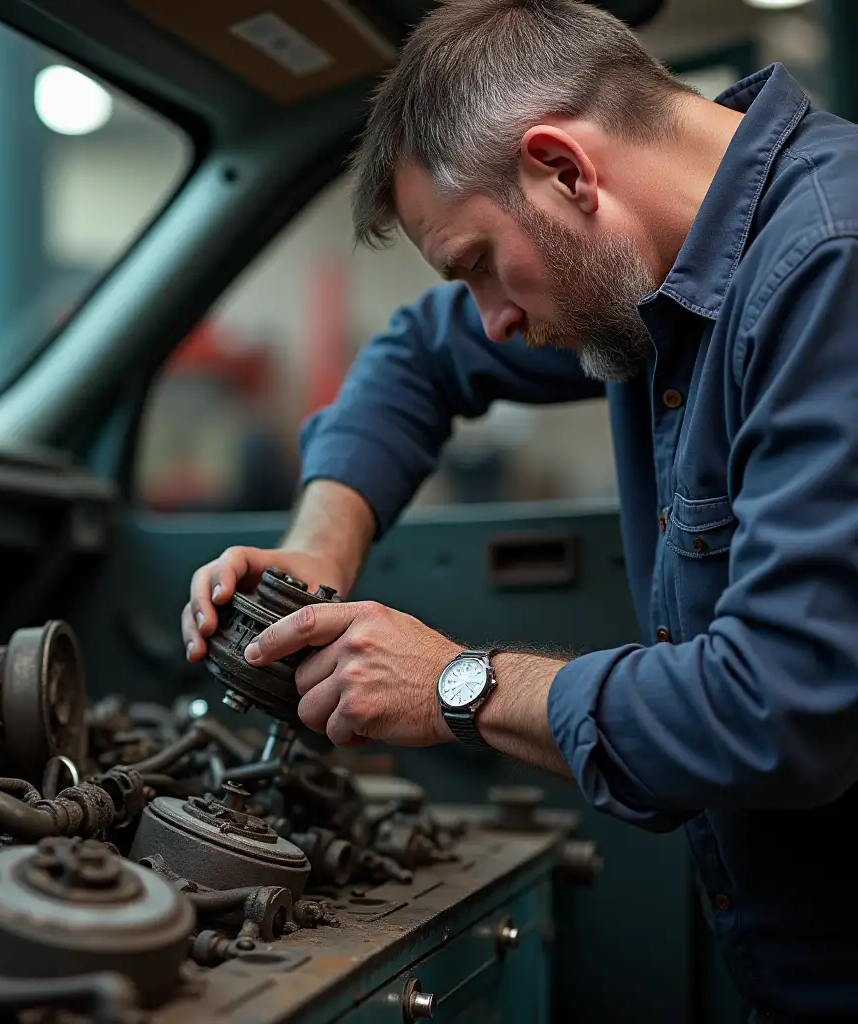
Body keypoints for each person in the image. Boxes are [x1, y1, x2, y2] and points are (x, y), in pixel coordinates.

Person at [183, 0, 858, 1018]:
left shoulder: (829, 267)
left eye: (476, 266)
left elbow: (783, 705)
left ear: (565, 170)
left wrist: (455, 683)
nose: (490, 317)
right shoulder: (664, 266)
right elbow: (420, 354)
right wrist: (314, 547)